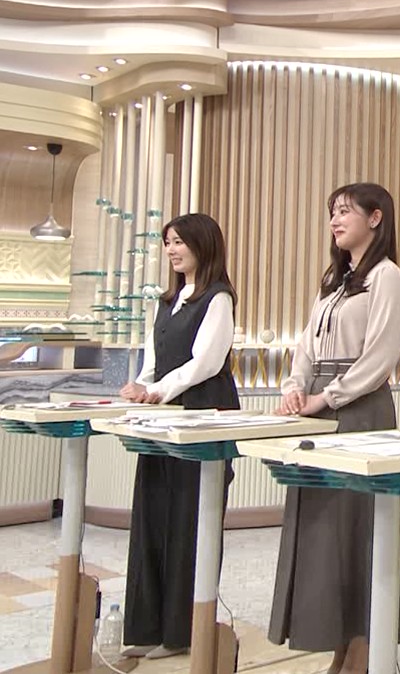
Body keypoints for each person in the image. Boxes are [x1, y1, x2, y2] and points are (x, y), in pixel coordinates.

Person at [270, 182, 400, 674]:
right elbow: (305, 345)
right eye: (332, 211)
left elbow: (379, 358)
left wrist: (326, 397)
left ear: (375, 218)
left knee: (359, 528)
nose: (335, 220)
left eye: (345, 211)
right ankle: (339, 641)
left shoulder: (388, 277)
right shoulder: (333, 281)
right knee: (324, 531)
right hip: (318, 407)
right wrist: (295, 388)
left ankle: (365, 648)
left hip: (359, 410)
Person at [117, 213, 241, 660]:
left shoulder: (218, 297)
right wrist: (139, 388)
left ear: (202, 245)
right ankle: (148, 627)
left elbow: (205, 363)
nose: (171, 250)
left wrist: (157, 392)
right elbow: (154, 361)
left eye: (179, 242)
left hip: (202, 414)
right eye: (167, 242)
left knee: (190, 520)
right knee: (153, 515)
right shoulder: (166, 301)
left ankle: (183, 633)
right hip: (163, 418)